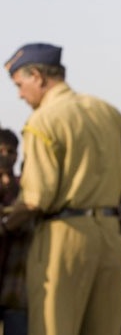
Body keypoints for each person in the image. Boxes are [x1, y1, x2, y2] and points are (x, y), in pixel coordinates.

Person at [2, 43, 121, 335]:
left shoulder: (43, 121)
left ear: (37, 76)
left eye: (19, 84)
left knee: (53, 328)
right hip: (110, 237)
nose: (19, 94)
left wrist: (7, 225)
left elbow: (36, 199)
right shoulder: (104, 110)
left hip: (63, 238)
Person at [0, 128, 31, 335]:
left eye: (10, 151)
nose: (5, 156)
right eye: (1, 150)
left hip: (15, 284)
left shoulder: (24, 189)